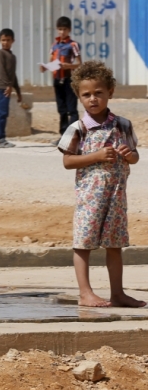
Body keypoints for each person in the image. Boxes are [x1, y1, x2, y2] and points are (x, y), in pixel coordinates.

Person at [58, 61, 145, 308]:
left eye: (99, 93)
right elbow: (67, 161)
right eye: (86, 95)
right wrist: (95, 156)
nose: (93, 99)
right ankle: (85, 293)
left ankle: (117, 293)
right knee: (83, 244)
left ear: (110, 92)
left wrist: (129, 155)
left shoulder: (123, 125)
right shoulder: (78, 128)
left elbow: (136, 157)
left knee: (114, 244)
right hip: (90, 198)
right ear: (79, 96)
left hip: (116, 197)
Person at [41, 16, 82, 139]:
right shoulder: (54, 45)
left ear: (69, 30)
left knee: (72, 110)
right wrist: (45, 67)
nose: (62, 32)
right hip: (57, 80)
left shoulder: (73, 45)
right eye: (60, 29)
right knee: (62, 110)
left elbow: (80, 63)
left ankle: (73, 136)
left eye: (64, 29)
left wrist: (69, 66)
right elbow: (50, 62)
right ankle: (63, 136)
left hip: (69, 80)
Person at [0, 28, 22, 148]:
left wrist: (18, 91)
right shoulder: (0, 54)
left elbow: (13, 75)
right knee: (1, 113)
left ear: (13, 41)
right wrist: (8, 86)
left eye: (8, 40)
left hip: (7, 87)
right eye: (3, 40)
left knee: (4, 114)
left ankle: (2, 138)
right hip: (1, 87)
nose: (5, 42)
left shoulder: (12, 56)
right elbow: (2, 71)